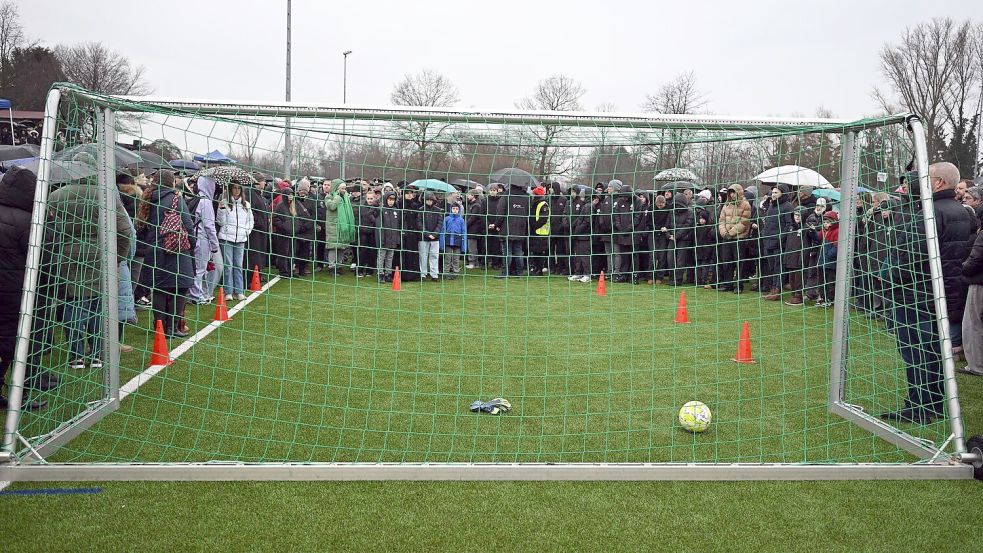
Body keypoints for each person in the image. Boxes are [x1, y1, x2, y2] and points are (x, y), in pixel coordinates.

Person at [882, 162, 972, 423]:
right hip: (940, 291)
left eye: (926, 177)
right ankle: (931, 404)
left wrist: (888, 276)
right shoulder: (960, 210)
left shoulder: (931, 212)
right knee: (930, 350)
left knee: (916, 350)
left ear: (939, 183)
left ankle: (919, 406)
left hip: (916, 293)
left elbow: (910, 256)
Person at [47, 169, 133, 369]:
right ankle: (96, 355)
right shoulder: (104, 196)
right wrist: (118, 257)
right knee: (96, 306)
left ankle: (76, 356)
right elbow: (125, 229)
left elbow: (47, 228)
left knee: (72, 303)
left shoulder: (56, 195)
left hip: (66, 256)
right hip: (99, 257)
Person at [0, 168, 54, 410]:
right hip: (16, 295)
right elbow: (43, 261)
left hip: (10, 292)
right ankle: (19, 398)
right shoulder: (28, 221)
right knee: (19, 345)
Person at [136, 171, 194, 339]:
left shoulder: (147, 199)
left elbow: (141, 227)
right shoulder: (176, 199)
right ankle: (172, 327)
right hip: (176, 250)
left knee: (159, 289)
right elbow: (188, 225)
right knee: (180, 288)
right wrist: (191, 245)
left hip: (154, 251)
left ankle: (159, 327)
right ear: (172, 183)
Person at [216, 182, 255, 300]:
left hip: (241, 239)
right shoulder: (225, 203)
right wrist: (222, 210)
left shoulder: (246, 205)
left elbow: (250, 221)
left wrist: (246, 231)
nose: (237, 190)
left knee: (238, 265)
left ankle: (239, 290)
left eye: (239, 188)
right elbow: (220, 222)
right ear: (230, 189)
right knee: (228, 266)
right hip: (227, 238)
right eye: (234, 188)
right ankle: (228, 291)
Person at [188, 176, 222, 304]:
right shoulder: (205, 202)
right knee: (200, 268)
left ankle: (198, 293)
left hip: (197, 237)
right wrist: (214, 245)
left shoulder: (197, 199)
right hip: (202, 238)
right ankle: (196, 296)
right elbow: (209, 226)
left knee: (198, 268)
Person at [759, 184, 793, 300]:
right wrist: (763, 233)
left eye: (776, 193)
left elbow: (789, 225)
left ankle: (777, 290)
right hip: (768, 241)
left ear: (782, 194)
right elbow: (767, 223)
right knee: (772, 267)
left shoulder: (787, 207)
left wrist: (780, 238)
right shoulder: (771, 206)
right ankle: (772, 289)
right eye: (773, 192)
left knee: (779, 268)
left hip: (779, 244)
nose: (773, 195)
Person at [716, 184, 751, 292]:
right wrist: (723, 232)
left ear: (739, 193)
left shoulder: (746, 205)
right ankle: (728, 284)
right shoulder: (726, 205)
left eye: (734, 192)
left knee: (739, 262)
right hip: (726, 238)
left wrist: (731, 233)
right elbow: (721, 220)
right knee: (727, 262)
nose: (732, 194)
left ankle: (738, 286)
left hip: (738, 238)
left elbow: (744, 223)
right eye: (730, 192)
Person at [959, 213, 983, 376]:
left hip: (979, 282)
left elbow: (975, 258)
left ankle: (976, 365)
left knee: (973, 323)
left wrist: (963, 269)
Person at [495, 181, 530, 277]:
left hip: (507, 228)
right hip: (521, 228)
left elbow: (500, 213)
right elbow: (528, 212)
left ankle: (505, 272)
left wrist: (497, 225)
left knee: (507, 251)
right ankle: (520, 273)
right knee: (518, 251)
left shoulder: (506, 196)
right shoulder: (526, 197)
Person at [782, 208, 809, 306]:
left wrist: (813, 231)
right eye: (795, 215)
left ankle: (799, 296)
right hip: (790, 257)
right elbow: (785, 240)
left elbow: (816, 240)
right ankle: (793, 295)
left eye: (799, 215)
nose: (797, 217)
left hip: (800, 258)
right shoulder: (790, 227)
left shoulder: (806, 228)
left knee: (799, 278)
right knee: (792, 278)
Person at [246, 177, 271, 277]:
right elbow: (250, 211)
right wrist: (259, 222)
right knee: (254, 254)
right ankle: (251, 276)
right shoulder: (250, 194)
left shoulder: (259, 194)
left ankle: (258, 273)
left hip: (262, 231)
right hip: (255, 231)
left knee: (260, 253)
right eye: (263, 181)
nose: (265, 183)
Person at [668, 192, 695, 286]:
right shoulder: (672, 212)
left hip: (684, 239)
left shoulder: (690, 212)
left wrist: (677, 236)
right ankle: (671, 278)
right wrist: (670, 235)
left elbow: (687, 226)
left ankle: (678, 279)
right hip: (672, 238)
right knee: (670, 258)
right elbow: (668, 224)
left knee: (680, 260)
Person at [376, 191, 401, 283]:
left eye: (393, 200)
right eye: (389, 199)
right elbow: (380, 227)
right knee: (381, 256)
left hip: (393, 239)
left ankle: (388, 273)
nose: (391, 202)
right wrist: (381, 239)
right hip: (383, 239)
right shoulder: (381, 210)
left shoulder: (396, 211)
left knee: (390, 257)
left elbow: (398, 226)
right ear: (386, 200)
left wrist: (397, 239)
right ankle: (380, 274)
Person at [568, 187, 592, 282]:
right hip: (579, 235)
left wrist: (577, 230)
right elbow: (580, 219)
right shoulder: (586, 205)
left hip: (585, 235)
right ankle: (578, 273)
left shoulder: (588, 206)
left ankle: (587, 274)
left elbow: (586, 222)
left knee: (585, 256)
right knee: (578, 255)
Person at [816, 210, 839, 308]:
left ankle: (830, 298)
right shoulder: (823, 231)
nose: (825, 224)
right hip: (822, 261)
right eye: (824, 222)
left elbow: (836, 246)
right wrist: (812, 231)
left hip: (830, 262)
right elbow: (817, 238)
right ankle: (823, 297)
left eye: (828, 222)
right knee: (821, 280)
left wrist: (829, 255)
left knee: (829, 281)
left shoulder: (836, 231)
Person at [418, 192, 442, 281]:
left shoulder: (438, 210)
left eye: (431, 200)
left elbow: (440, 223)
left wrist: (434, 234)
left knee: (434, 256)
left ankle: (434, 275)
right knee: (423, 256)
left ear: (434, 200)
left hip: (435, 238)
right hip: (424, 237)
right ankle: (423, 274)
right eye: (427, 200)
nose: (429, 201)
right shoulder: (421, 210)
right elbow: (419, 224)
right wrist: (427, 234)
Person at [440, 202, 467, 280]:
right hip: (448, 241)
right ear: (451, 209)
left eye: (456, 209)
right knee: (447, 257)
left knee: (456, 258)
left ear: (459, 210)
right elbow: (443, 231)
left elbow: (464, 232)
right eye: (453, 209)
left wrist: (464, 246)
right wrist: (442, 244)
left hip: (457, 241)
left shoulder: (461, 220)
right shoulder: (447, 219)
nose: (455, 210)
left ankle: (456, 272)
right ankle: (446, 272)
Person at [356, 188, 379, 278]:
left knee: (372, 251)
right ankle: (360, 270)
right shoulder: (362, 207)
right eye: (368, 199)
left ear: (374, 198)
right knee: (363, 251)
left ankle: (370, 270)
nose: (369, 200)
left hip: (373, 232)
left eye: (371, 199)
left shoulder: (377, 208)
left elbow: (376, 220)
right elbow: (363, 217)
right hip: (364, 232)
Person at [549, 182, 570, 275]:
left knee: (560, 250)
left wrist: (562, 225)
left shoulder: (564, 199)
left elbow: (565, 213)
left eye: (551, 188)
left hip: (560, 230)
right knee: (550, 250)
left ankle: (560, 268)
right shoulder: (548, 199)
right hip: (550, 229)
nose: (550, 189)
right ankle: (552, 267)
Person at [529, 186, 551, 275]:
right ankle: (536, 268)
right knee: (535, 251)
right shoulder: (535, 204)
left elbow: (543, 219)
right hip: (536, 232)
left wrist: (534, 226)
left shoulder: (543, 205)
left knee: (540, 252)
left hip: (541, 232)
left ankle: (539, 269)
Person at [465, 189, 485, 269]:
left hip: (473, 229)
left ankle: (472, 263)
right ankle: (476, 263)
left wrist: (465, 225)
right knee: (473, 247)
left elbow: (473, 217)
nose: (467, 195)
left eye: (469, 194)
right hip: (473, 228)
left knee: (472, 247)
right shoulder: (473, 204)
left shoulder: (476, 205)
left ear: (473, 195)